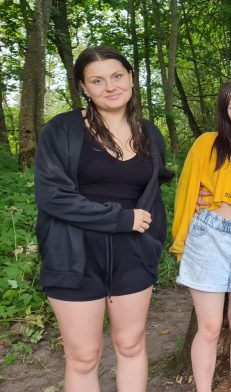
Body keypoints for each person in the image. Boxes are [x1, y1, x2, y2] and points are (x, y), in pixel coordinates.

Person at [34, 46, 173, 392]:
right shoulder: (61, 130)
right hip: (73, 256)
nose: (110, 86)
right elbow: (52, 196)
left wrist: (153, 238)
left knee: (131, 345)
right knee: (83, 357)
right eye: (97, 81)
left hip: (133, 255)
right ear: (83, 87)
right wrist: (120, 219)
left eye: (117, 76)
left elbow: (153, 188)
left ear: (131, 78)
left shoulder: (149, 133)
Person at [170, 80, 231, 392]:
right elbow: (187, 191)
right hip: (210, 235)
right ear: (225, 113)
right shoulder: (208, 143)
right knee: (210, 326)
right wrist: (180, 240)